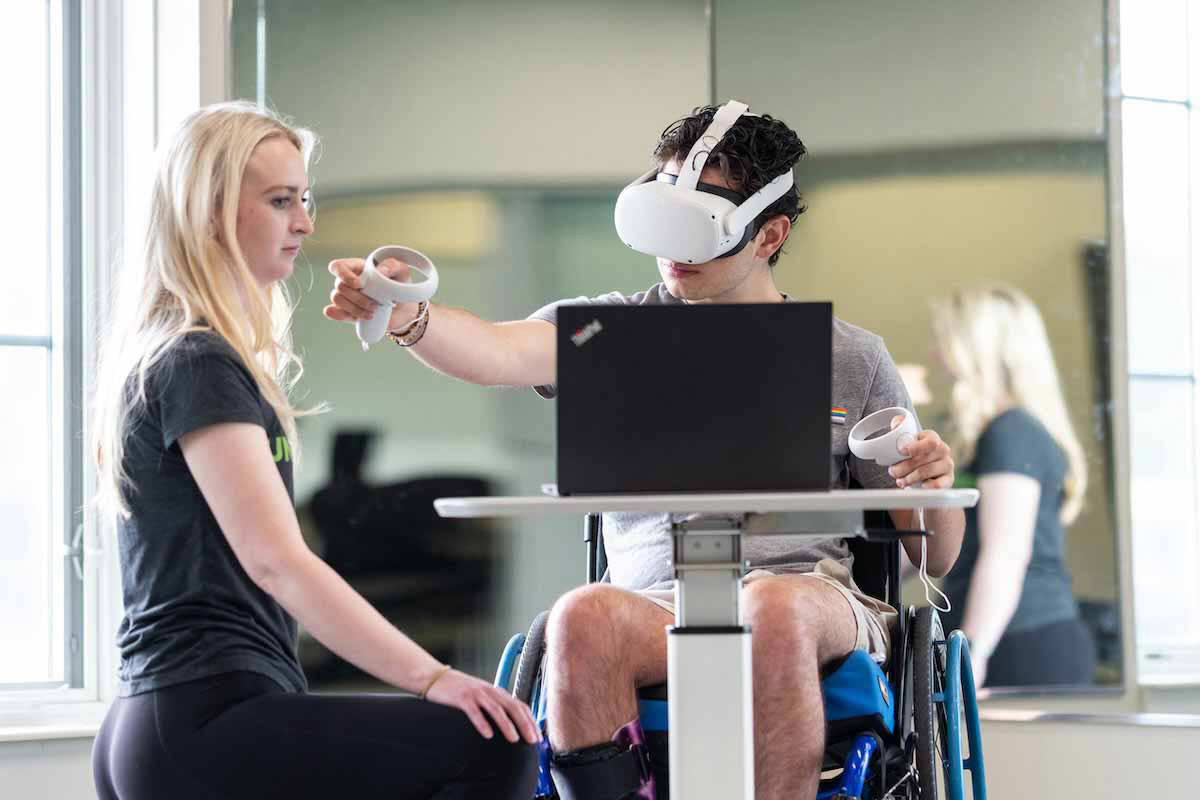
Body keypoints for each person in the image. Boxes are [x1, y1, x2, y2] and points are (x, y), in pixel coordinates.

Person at [325, 103, 965, 800]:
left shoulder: (851, 356)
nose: (674, 251)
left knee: (768, 607)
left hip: (812, 598)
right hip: (656, 603)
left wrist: (929, 479)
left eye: (699, 231)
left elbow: (934, 553)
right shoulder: (607, 332)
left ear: (769, 234)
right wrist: (406, 313)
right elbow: (493, 349)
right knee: (580, 617)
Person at [90, 101, 538, 800]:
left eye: (305, 199)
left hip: (170, 722)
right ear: (207, 211)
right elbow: (278, 561)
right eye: (279, 201)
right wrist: (435, 677)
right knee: (488, 746)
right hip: (204, 719)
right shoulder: (197, 361)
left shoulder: (187, 357)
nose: (304, 222)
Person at [932, 286, 1095, 689]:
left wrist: (974, 651)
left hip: (1022, 641)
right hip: (997, 634)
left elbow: (1006, 552)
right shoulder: (980, 437)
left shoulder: (1013, 432)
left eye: (946, 343)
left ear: (978, 351)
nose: (937, 355)